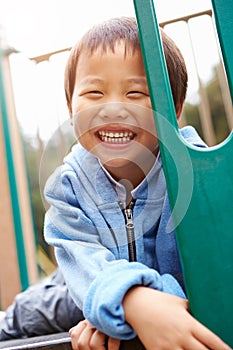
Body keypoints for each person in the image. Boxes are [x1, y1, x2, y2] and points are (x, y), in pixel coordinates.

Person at [43, 17, 231, 350]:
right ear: (71, 108)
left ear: (172, 111)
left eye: (135, 93)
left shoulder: (194, 172)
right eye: (94, 93)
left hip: (105, 292)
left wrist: (132, 306)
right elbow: (80, 259)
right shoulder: (68, 188)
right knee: (33, 313)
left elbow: (209, 266)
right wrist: (128, 301)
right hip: (72, 289)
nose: (113, 108)